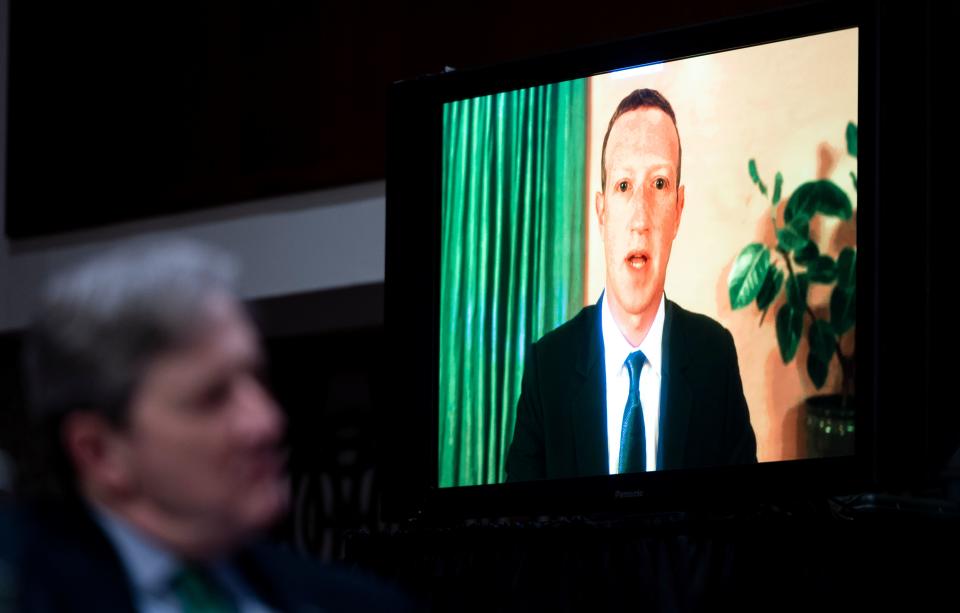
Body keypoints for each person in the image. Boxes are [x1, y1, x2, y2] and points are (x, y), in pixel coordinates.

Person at [15, 240, 413, 612]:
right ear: (99, 451)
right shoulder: (18, 589)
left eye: (258, 380)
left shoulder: (357, 603)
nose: (267, 423)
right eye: (212, 398)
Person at [505, 89, 757, 482]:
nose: (640, 218)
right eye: (624, 186)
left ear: (678, 209)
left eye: (658, 184)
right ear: (602, 211)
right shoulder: (547, 368)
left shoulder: (716, 358)